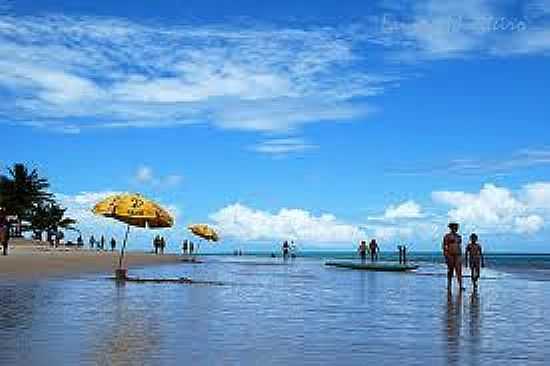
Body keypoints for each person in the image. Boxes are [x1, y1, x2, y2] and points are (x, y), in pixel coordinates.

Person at [443, 222, 464, 292]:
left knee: (459, 271)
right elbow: (444, 246)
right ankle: (449, 285)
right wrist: (446, 255)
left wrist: (461, 255)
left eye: (456, 228)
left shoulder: (459, 237)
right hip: (450, 255)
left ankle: (460, 285)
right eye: (454, 228)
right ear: (451, 228)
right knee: (450, 271)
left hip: (458, 255)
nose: (456, 229)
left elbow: (459, 246)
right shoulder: (447, 236)